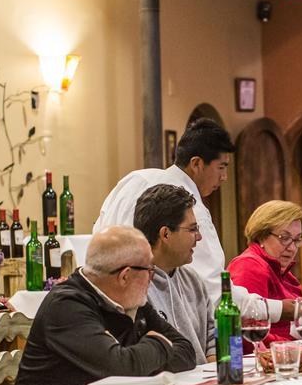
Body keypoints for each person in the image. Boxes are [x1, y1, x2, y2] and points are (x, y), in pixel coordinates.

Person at [14, 226, 196, 385]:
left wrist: (140, 361)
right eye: (150, 270)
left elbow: (186, 352)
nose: (152, 277)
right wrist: (159, 343)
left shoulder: (134, 301)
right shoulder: (67, 305)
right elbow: (120, 369)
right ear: (125, 276)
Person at [95, 118, 234, 302]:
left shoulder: (134, 179)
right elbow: (212, 288)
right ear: (196, 164)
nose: (224, 177)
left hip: (103, 295)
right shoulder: (188, 207)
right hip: (153, 303)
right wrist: (271, 309)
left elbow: (97, 234)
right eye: (221, 167)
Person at [133, 184, 215, 364]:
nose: (199, 237)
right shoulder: (133, 286)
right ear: (166, 234)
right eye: (192, 229)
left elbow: (212, 340)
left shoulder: (193, 280)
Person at [227, 200, 302, 344]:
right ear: (261, 236)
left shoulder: (283, 272)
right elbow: (247, 332)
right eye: (284, 238)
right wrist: (292, 349)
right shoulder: (249, 266)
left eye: (297, 240)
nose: (292, 248)